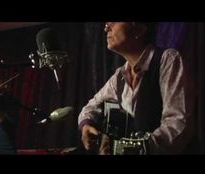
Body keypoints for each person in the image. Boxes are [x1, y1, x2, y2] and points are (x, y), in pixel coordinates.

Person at [78, 22, 195, 154]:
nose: (106, 27)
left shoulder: (168, 61)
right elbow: (90, 107)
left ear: (139, 30)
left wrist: (135, 149)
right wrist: (86, 124)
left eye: (114, 22)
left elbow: (178, 124)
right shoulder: (119, 76)